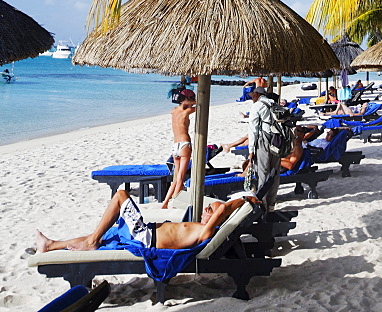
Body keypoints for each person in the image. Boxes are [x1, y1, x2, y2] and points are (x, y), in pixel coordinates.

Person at [35, 190, 255, 253]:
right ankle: (52, 245)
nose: (206, 208)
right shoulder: (199, 228)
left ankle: (91, 240)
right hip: (147, 233)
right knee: (108, 234)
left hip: (147, 238)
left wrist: (243, 200)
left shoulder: (205, 232)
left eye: (210, 209)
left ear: (217, 219)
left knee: (121, 195)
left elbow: (224, 208)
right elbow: (221, 210)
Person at [246, 87, 282, 211]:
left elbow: (253, 130)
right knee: (275, 173)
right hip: (277, 141)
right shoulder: (274, 103)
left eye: (252, 95)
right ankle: (271, 203)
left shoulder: (257, 106)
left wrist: (251, 150)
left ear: (257, 94)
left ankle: (263, 204)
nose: (251, 97)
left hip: (264, 141)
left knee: (263, 173)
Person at [162, 89, 196, 208]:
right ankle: (174, 203)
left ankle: (165, 202)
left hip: (175, 145)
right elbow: (200, 104)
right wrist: (193, 102)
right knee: (181, 177)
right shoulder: (187, 112)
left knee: (175, 178)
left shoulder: (173, 111)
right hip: (184, 144)